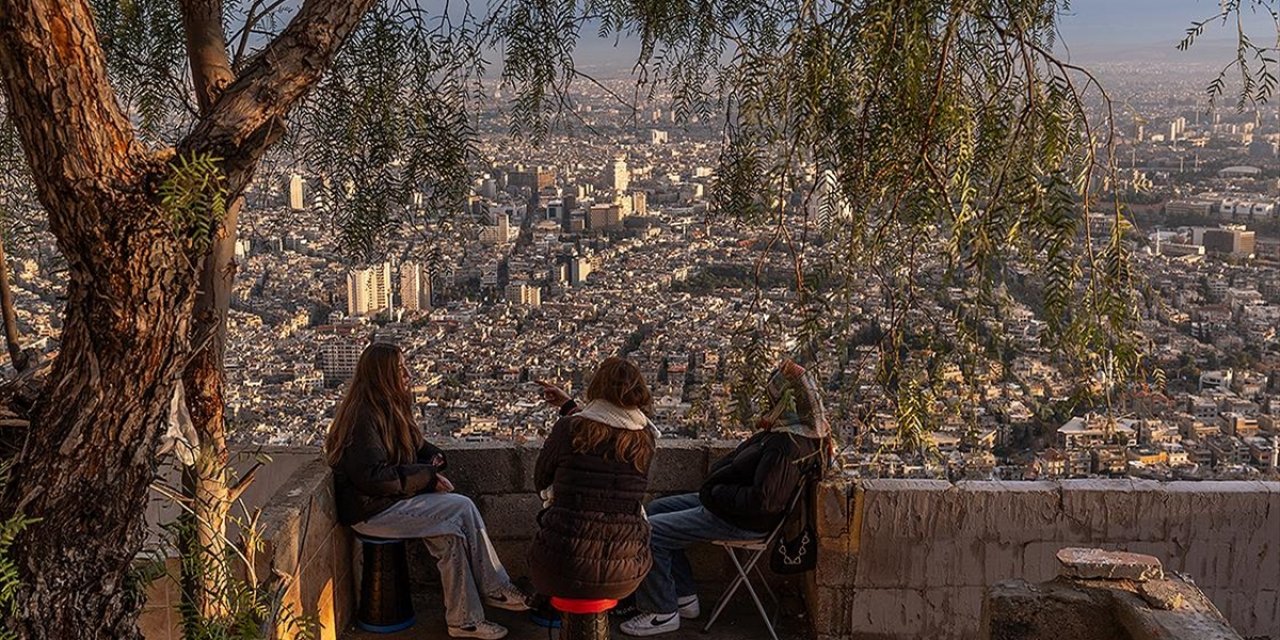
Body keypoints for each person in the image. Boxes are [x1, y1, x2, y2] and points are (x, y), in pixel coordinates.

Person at [325, 342, 529, 640]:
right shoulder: (362, 417)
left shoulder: (390, 406)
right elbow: (373, 479)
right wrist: (428, 477)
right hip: (372, 511)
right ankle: (495, 587)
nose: (407, 374)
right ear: (382, 375)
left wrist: (435, 460)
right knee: (460, 506)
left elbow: (417, 447)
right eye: (399, 369)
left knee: (450, 535)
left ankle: (464, 621)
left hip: (390, 502)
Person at [620, 359, 832, 637]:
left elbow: (764, 500)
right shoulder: (790, 433)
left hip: (739, 519)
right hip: (726, 507)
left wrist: (719, 494)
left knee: (648, 531)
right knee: (657, 508)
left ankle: (662, 611)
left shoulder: (786, 446)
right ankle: (684, 598)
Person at [528, 357, 658, 603]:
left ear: (596, 388)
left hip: (558, 567)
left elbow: (541, 481)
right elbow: (611, 426)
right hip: (627, 575)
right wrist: (568, 405)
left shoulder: (568, 429)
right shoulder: (645, 439)